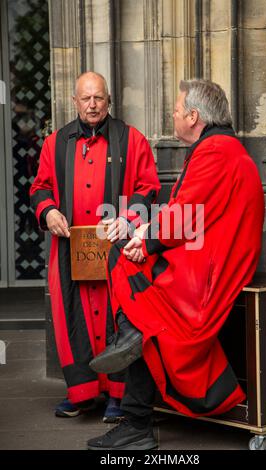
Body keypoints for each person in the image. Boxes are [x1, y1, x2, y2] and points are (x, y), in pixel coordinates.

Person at [87, 79, 265, 450]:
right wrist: (148, 235)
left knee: (127, 268)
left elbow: (186, 216)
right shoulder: (221, 148)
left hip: (210, 272)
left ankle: (135, 411)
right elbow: (192, 214)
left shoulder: (215, 151)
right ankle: (131, 341)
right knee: (131, 267)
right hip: (210, 258)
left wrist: (146, 241)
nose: (173, 114)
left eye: (177, 108)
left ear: (194, 116)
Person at [30, 72, 161, 421]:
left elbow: (148, 187)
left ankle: (119, 396)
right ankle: (82, 394)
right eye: (86, 98)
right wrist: (50, 210)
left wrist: (129, 218)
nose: (92, 105)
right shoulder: (54, 144)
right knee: (73, 317)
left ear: (108, 101)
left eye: (98, 98)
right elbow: (39, 188)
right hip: (70, 250)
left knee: (120, 319)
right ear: (74, 102)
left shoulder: (131, 140)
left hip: (117, 250)